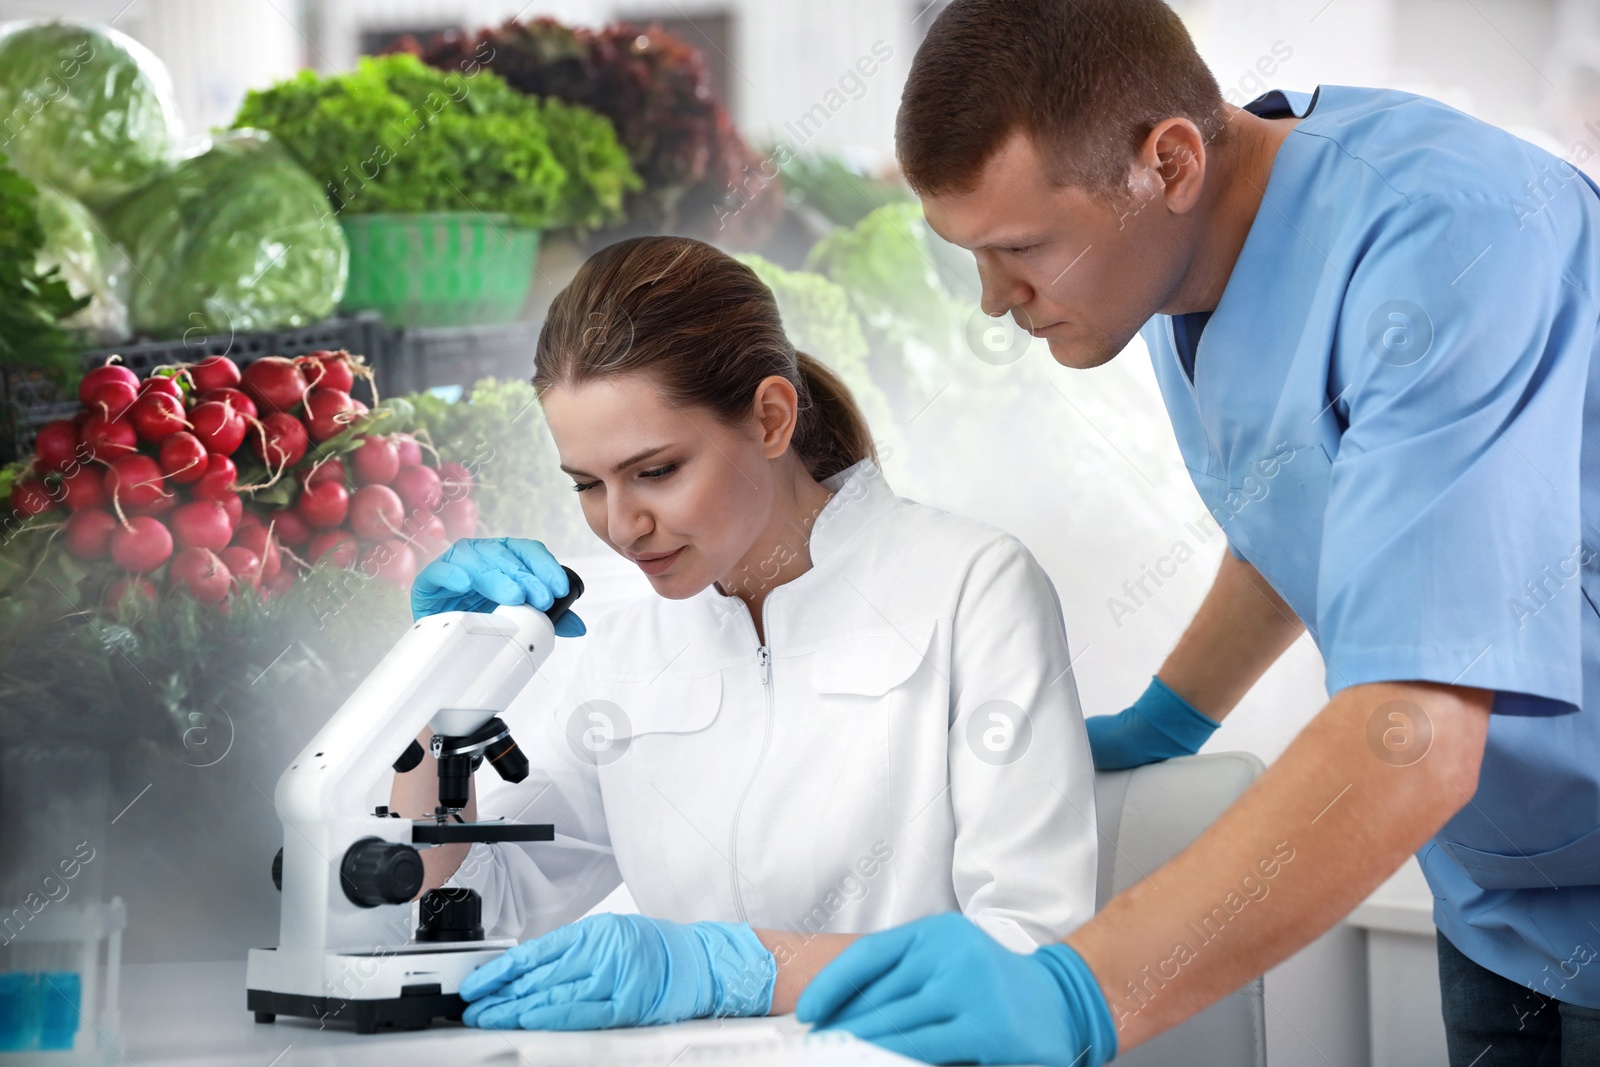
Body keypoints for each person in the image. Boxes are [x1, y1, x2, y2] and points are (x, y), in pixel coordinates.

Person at [793, 2, 1600, 1065]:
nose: (994, 300)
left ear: (1167, 162)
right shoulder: (1184, 270)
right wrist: (1165, 721)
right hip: (1501, 893)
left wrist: (1083, 994)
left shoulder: (1450, 243)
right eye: (971, 255)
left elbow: (1420, 726)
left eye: (1021, 247)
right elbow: (1322, 519)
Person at [390, 235, 1099, 1029]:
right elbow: (464, 905)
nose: (621, 526)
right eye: (588, 484)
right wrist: (439, 683)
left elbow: (1031, 954)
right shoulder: (630, 636)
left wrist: (745, 968)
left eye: (656, 470)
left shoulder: (972, 588)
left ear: (770, 418)